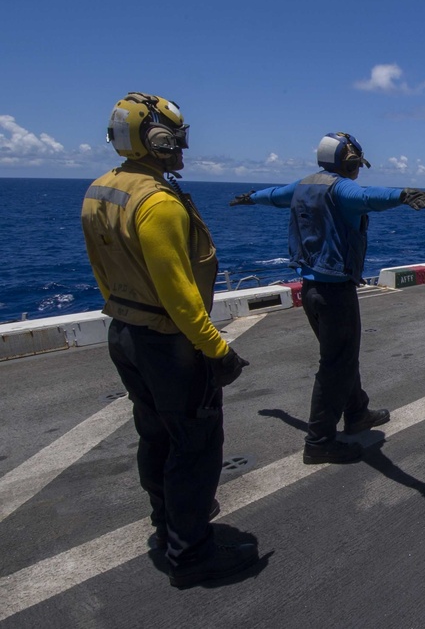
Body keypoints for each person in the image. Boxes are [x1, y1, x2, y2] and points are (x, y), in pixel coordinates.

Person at [81, 92, 258, 587]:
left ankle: (168, 522)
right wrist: (217, 349)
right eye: (176, 139)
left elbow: (102, 270)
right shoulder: (157, 202)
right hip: (169, 342)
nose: (182, 147)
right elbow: (178, 293)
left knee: (155, 432)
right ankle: (191, 554)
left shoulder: (100, 190)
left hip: (126, 333)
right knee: (196, 445)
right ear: (156, 140)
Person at [229, 132, 425, 465]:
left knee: (342, 358)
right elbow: (370, 197)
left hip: (311, 290)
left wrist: (249, 197)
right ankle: (319, 441)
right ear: (350, 162)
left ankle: (357, 413)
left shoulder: (303, 186)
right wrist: (404, 194)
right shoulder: (342, 188)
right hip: (335, 293)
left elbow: (274, 195)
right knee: (335, 366)